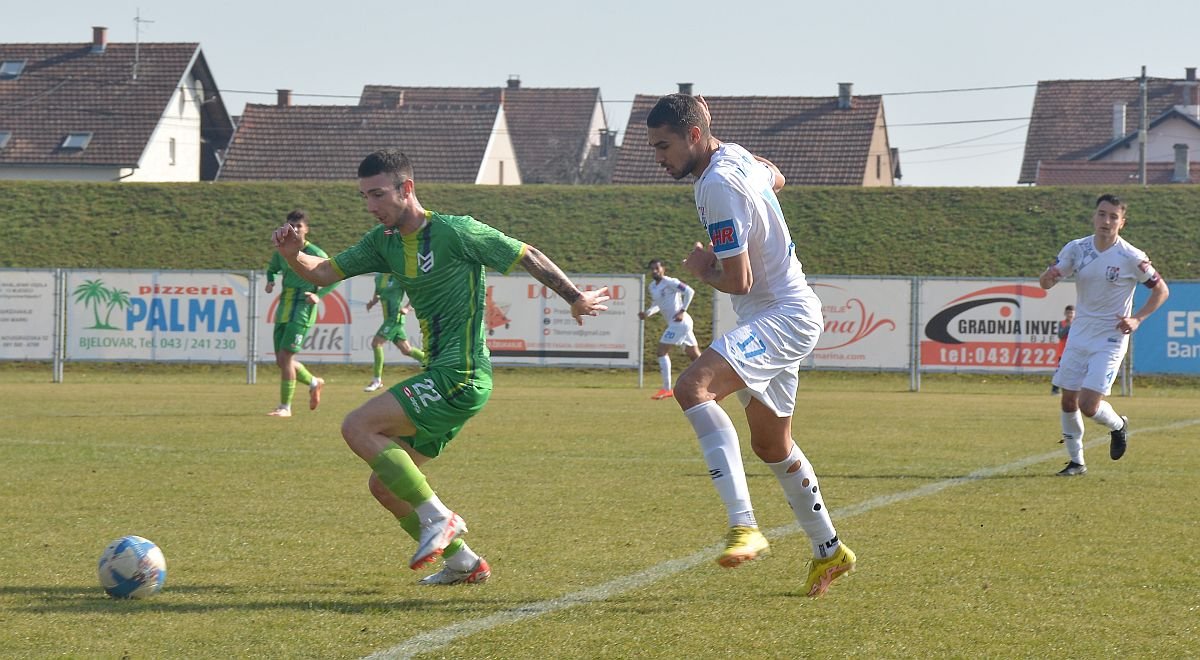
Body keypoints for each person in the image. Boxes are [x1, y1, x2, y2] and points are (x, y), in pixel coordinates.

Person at [272, 149, 610, 585]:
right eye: (365, 196)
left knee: (357, 426)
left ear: (406, 189)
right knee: (384, 486)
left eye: (378, 194)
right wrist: (292, 255)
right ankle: (465, 564)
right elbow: (323, 272)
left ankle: (438, 517)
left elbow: (526, 253)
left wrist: (575, 298)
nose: (371, 205)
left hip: (461, 375)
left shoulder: (456, 231)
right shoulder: (383, 242)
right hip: (441, 375)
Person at [644, 93, 855, 598]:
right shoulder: (734, 156)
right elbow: (776, 176)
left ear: (694, 136)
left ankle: (744, 524)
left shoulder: (718, 185)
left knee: (692, 388)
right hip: (783, 313)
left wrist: (704, 270)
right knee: (771, 445)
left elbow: (738, 281)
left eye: (664, 146)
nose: (659, 158)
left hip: (782, 315)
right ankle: (829, 550)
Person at [1039, 194, 1169, 476]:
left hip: (1110, 338)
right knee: (1068, 400)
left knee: (1088, 405)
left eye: (1113, 216)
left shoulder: (1132, 257)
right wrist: (1047, 278)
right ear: (1094, 217)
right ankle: (1076, 462)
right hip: (1079, 334)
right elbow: (1048, 280)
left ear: (1122, 222)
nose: (1106, 221)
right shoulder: (1077, 248)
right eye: (1102, 214)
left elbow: (1161, 290)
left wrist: (1137, 318)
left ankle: (1118, 425)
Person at [264, 209, 337, 418]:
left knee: (286, 357)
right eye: (292, 226)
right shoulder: (282, 250)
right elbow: (272, 269)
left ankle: (285, 407)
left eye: (299, 226)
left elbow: (335, 276)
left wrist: (319, 295)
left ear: (306, 229)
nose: (295, 229)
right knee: (281, 361)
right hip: (284, 308)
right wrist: (270, 280)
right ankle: (314, 382)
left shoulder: (316, 252)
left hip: (303, 309)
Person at [638, 258, 700, 400]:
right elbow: (657, 304)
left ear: (663, 269)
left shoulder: (670, 282)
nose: (655, 271)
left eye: (657, 268)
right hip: (679, 324)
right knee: (694, 356)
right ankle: (714, 383)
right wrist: (647, 313)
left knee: (661, 351)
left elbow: (690, 291)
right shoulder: (652, 286)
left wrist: (682, 310)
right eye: (652, 269)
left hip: (680, 322)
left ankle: (667, 389)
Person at [363, 273, 427, 392]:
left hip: (395, 318)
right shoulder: (378, 277)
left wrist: (407, 307)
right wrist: (372, 303)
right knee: (406, 350)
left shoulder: (398, 277)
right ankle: (432, 363)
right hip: (388, 319)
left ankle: (377, 380)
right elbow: (378, 294)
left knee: (376, 344)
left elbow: (415, 292)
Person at [1050, 305, 1074, 395]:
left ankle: (1073, 389)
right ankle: (1055, 389)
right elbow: (1060, 335)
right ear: (1065, 313)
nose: (1069, 315)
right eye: (1068, 313)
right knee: (1060, 370)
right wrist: (1068, 326)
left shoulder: (1077, 324)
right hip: (1063, 351)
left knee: (1073, 371)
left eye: (1071, 313)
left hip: (1074, 351)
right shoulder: (1062, 323)